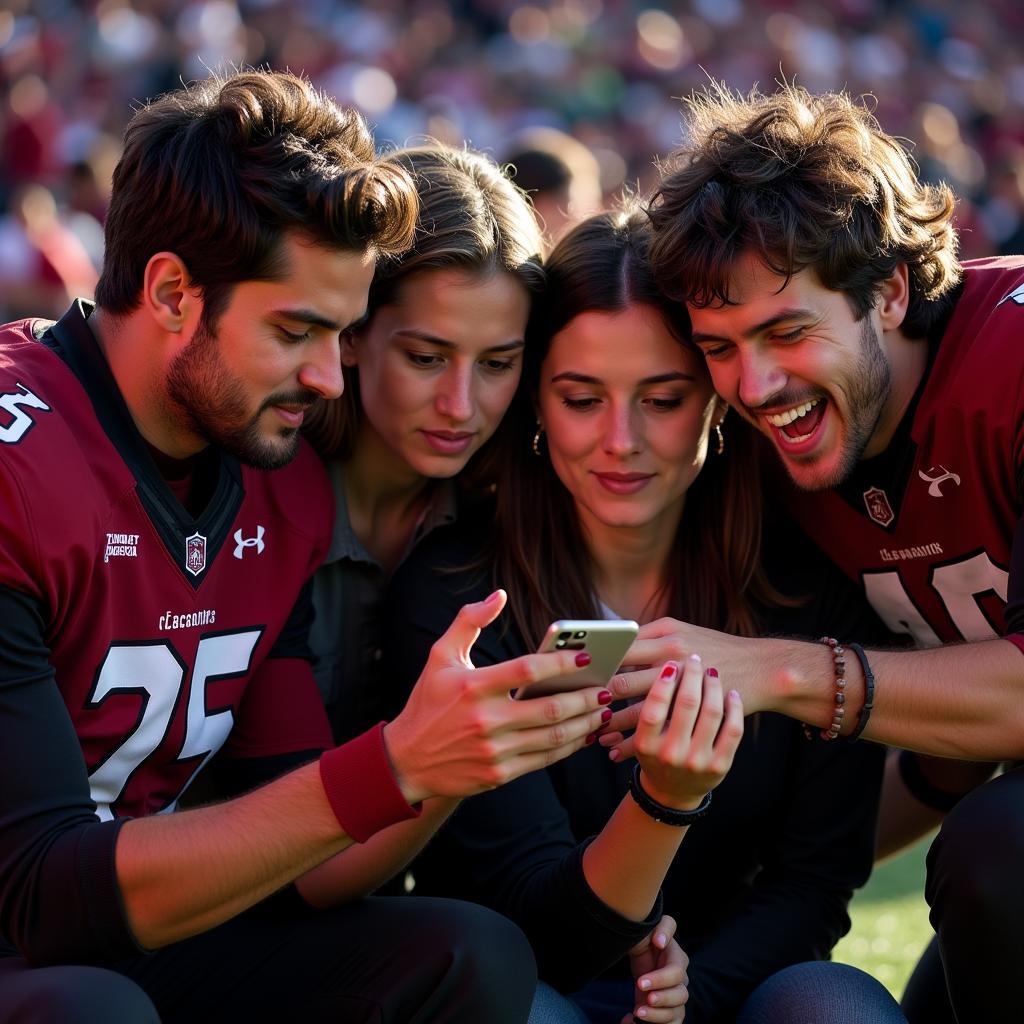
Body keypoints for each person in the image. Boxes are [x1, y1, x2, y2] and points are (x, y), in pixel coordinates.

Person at [0, 69, 613, 1023]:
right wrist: (399, 765)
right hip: (40, 935)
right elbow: (39, 893)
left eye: (342, 332)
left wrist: (447, 759)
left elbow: (294, 838)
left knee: (465, 954)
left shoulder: (267, 476)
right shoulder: (21, 468)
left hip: (130, 928)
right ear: (171, 290)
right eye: (298, 330)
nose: (330, 376)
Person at [379, 206, 896, 1024]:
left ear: (719, 402)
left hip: (730, 987)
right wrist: (664, 800)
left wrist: (692, 995)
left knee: (836, 1008)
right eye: (582, 399)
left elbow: (814, 887)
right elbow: (528, 918)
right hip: (532, 984)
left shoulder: (805, 591)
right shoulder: (461, 603)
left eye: (662, 399)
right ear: (536, 407)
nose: (621, 441)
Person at [643, 81, 1024, 1023]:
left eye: (785, 331)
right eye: (719, 347)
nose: (756, 383)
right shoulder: (798, 453)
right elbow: (946, 758)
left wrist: (780, 671)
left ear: (889, 290)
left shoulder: (1011, 360)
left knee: (1000, 853)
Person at [302, 142, 546, 740]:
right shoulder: (249, 496)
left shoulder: (521, 513)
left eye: (496, 364)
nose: (460, 406)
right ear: (351, 333)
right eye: (426, 357)